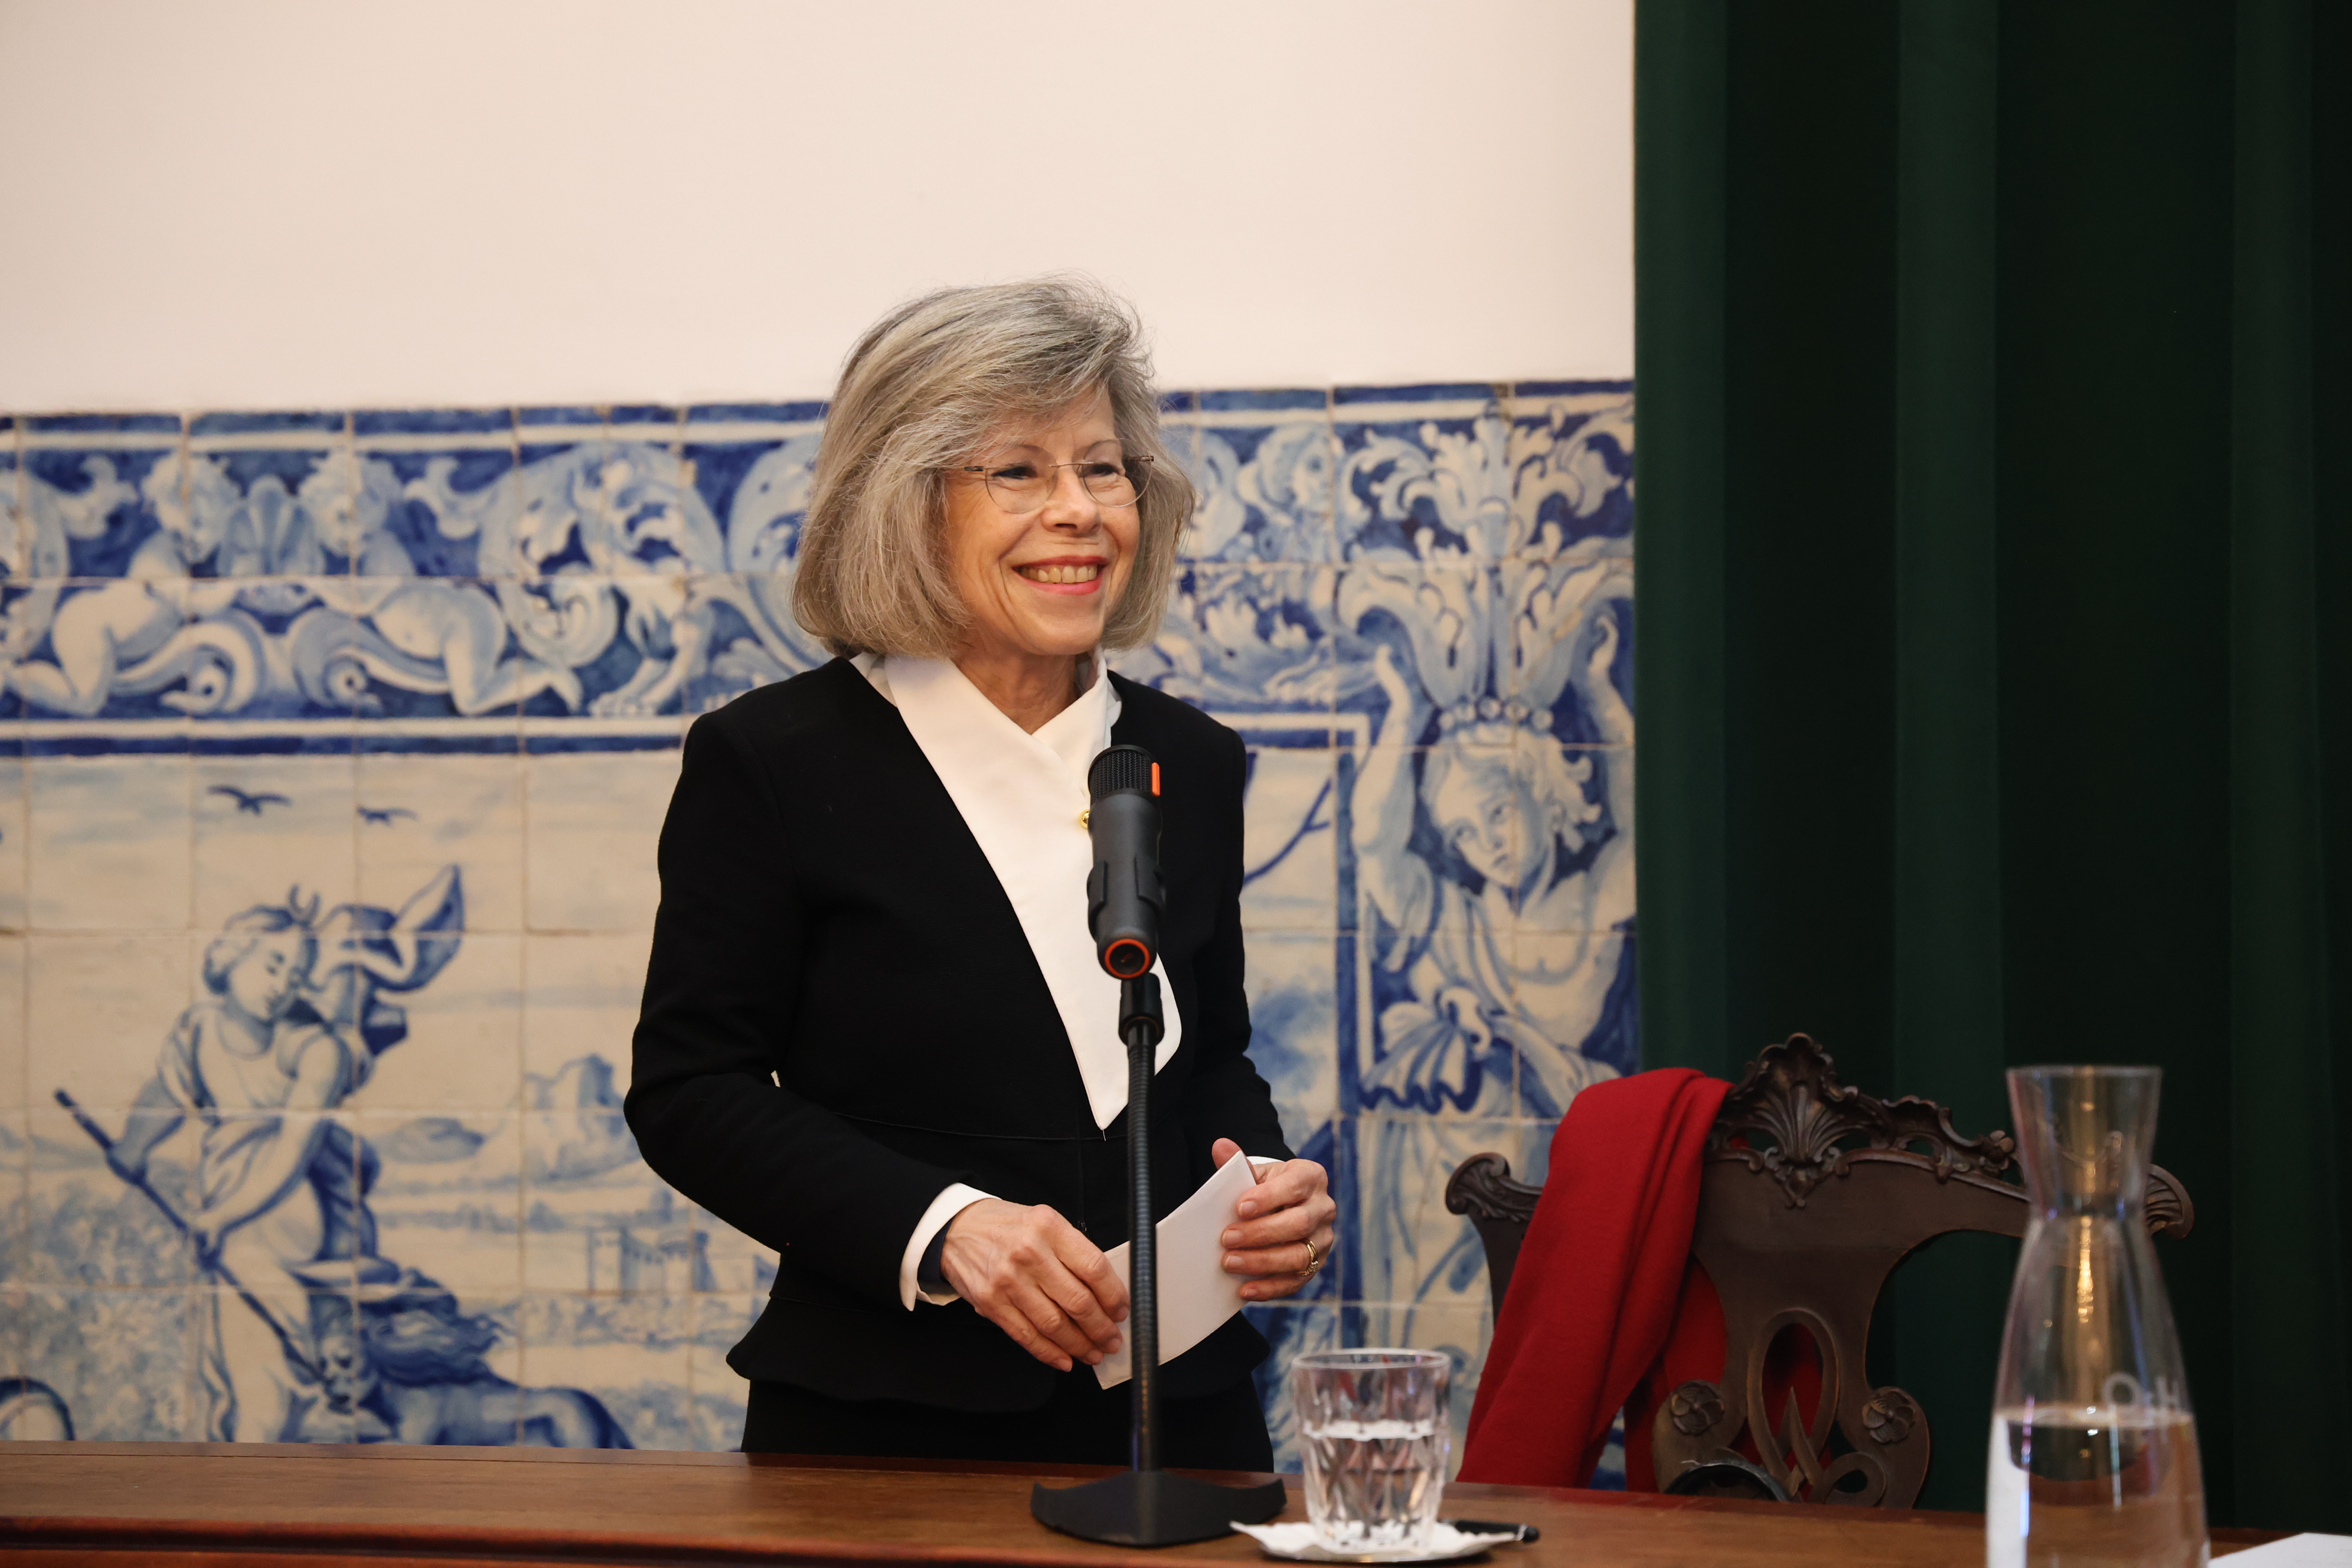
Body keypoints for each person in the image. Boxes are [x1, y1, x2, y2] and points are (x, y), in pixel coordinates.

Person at [626, 277, 1335, 1467]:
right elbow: (691, 1091)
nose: (1079, 511)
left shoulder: (1193, 758)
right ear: (904, 505)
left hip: (1185, 1419)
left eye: (1102, 469)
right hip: (884, 1428)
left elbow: (1204, 1055)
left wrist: (1261, 1185)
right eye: (1017, 471)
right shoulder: (773, 762)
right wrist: (945, 1226)